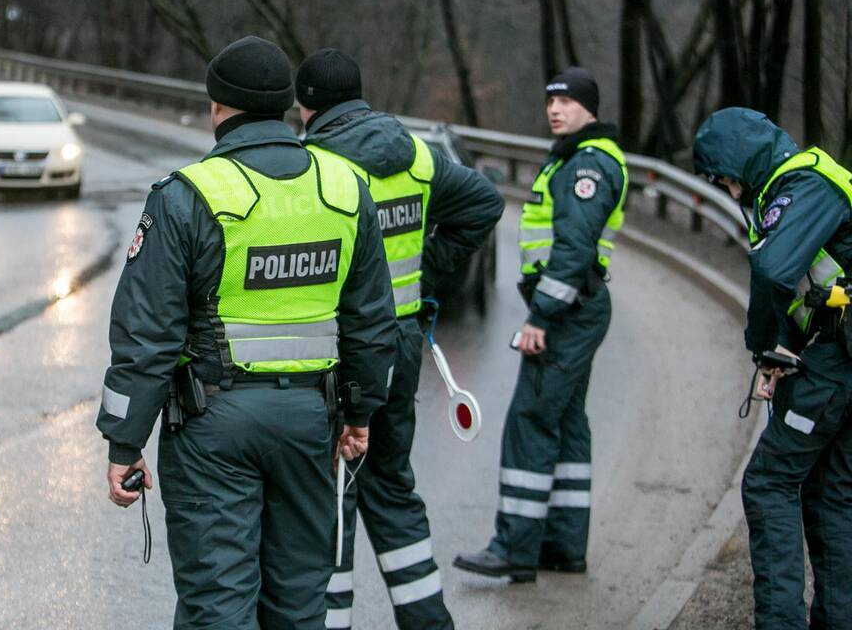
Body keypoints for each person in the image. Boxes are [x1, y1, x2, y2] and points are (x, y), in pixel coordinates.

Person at [96, 36, 396, 629]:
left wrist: (124, 443)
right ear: (287, 105)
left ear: (217, 107)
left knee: (218, 605)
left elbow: (145, 333)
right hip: (310, 423)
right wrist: (360, 411)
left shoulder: (188, 196)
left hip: (212, 429)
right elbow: (370, 319)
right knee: (298, 602)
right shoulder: (343, 188)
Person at [296, 48, 504, 630]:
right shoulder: (415, 153)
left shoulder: (316, 168)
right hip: (403, 342)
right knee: (390, 487)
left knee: (333, 496)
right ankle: (428, 621)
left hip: (343, 351)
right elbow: (485, 203)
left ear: (307, 106)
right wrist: (425, 271)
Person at [454, 67, 627, 583]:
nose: (554, 109)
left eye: (566, 101)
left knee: (529, 420)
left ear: (588, 108)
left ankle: (514, 547)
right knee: (567, 423)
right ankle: (562, 546)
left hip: (567, 312)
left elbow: (574, 249)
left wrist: (540, 316)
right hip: (578, 307)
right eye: (550, 101)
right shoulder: (575, 158)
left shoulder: (586, 165)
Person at [693, 108, 852, 629]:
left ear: (742, 161)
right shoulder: (810, 181)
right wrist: (780, 349)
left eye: (725, 178)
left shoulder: (802, 186)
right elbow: (810, 286)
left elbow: (774, 271)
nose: (729, 190)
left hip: (835, 364)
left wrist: (763, 349)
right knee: (832, 493)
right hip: (837, 356)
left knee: (768, 482)